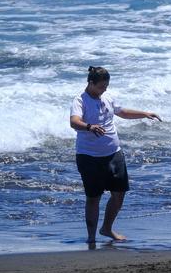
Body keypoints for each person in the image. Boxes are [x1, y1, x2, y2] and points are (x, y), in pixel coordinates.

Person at [69, 66, 161, 245]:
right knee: (93, 198)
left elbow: (122, 112)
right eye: (101, 86)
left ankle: (107, 228)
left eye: (106, 86)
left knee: (119, 194)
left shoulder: (108, 97)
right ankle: (91, 237)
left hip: (114, 154)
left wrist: (144, 114)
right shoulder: (80, 100)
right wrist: (90, 126)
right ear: (91, 83)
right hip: (89, 157)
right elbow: (74, 122)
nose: (104, 90)